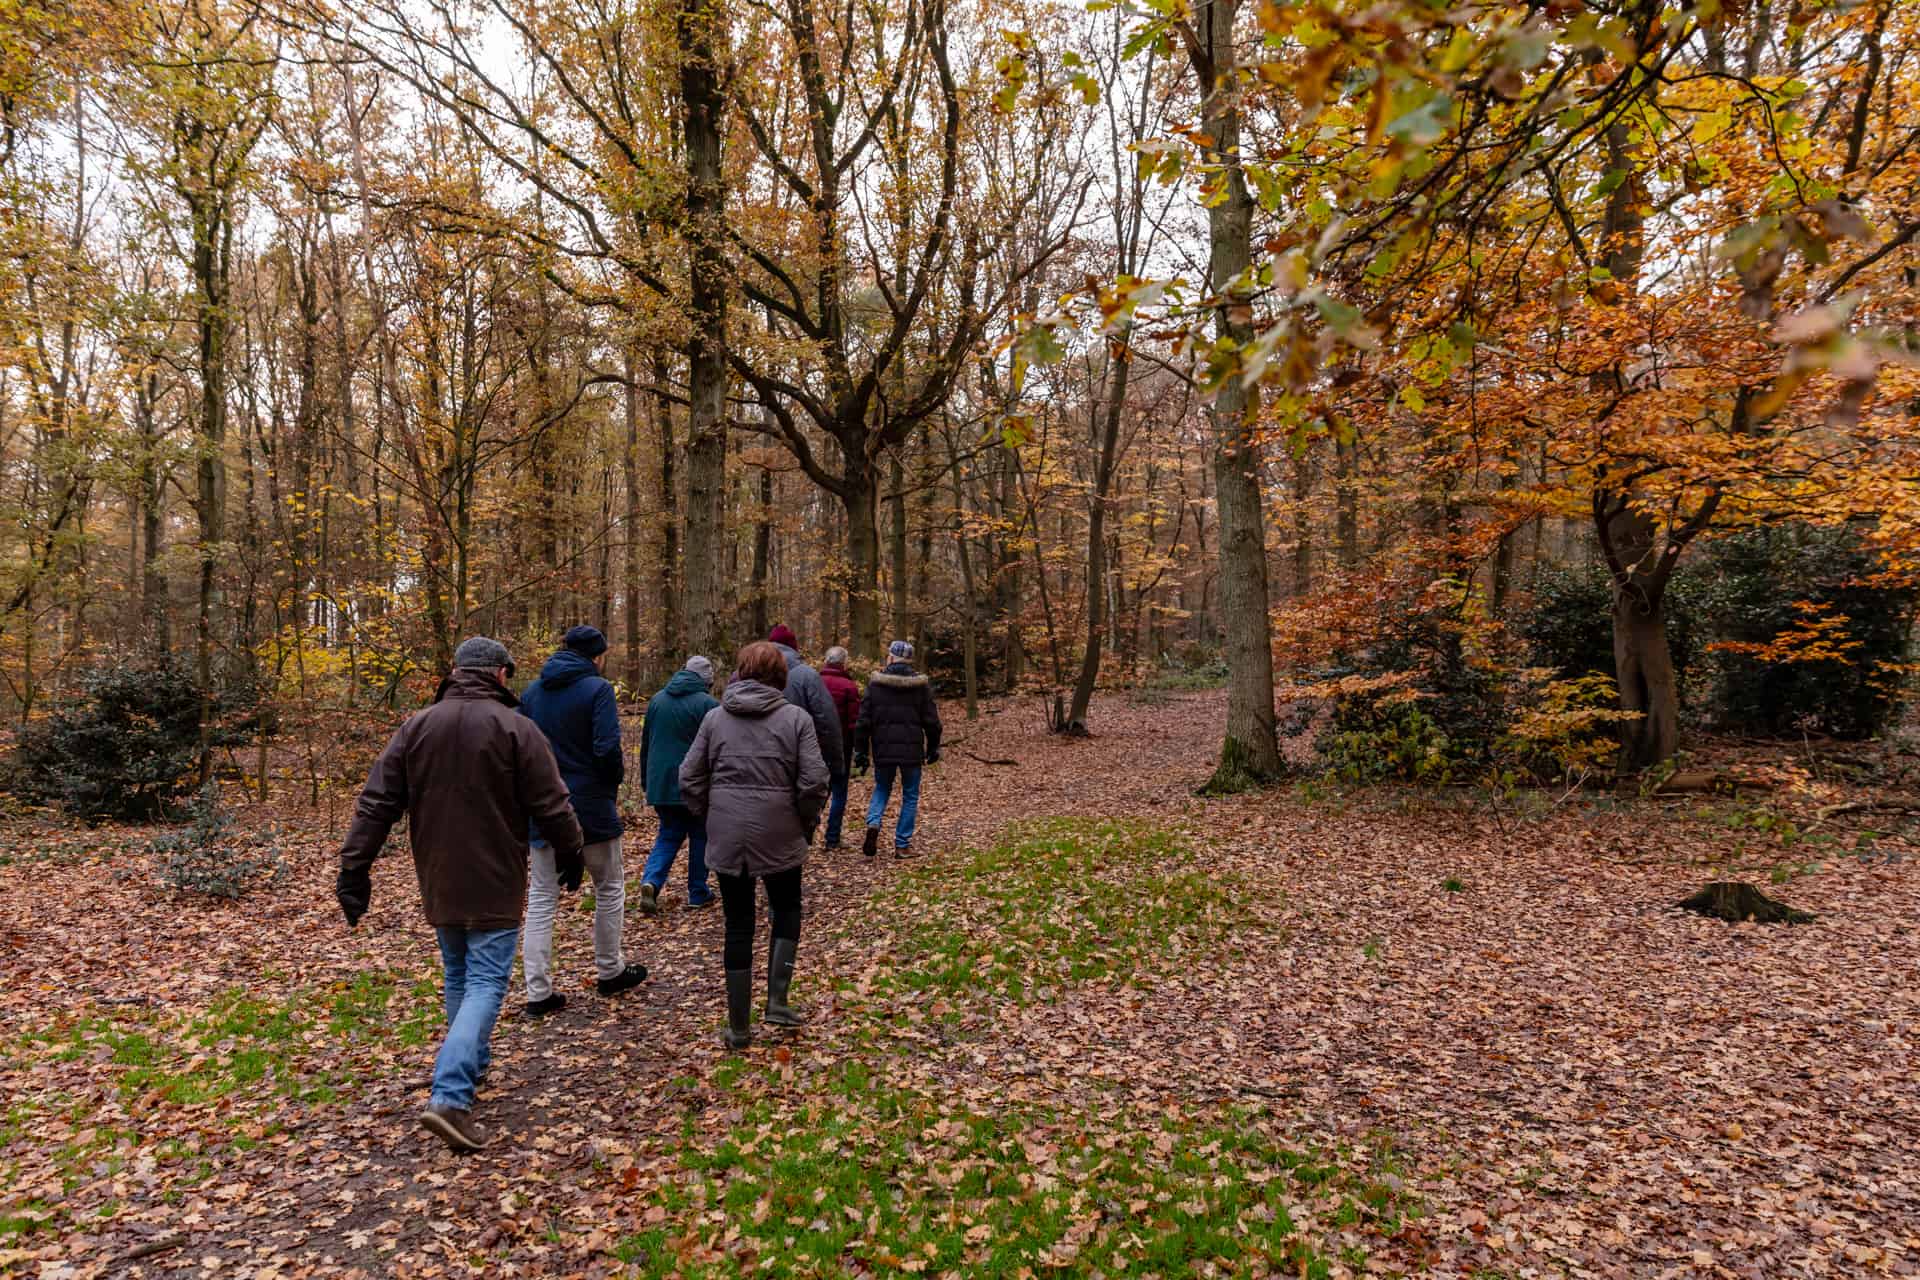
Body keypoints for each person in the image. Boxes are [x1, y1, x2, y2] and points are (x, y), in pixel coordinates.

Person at [335, 636, 584, 1152]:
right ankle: (450, 1095)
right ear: (499, 676)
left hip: (440, 873)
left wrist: (354, 868)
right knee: (487, 981)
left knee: (458, 973)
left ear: (454, 673)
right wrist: (572, 851)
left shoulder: (417, 728)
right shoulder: (518, 728)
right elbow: (553, 803)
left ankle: (471, 1064)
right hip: (495, 874)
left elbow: (377, 802)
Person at [678, 641, 829, 1051]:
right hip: (781, 830)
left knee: (739, 922)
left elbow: (688, 777)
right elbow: (815, 779)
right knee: (787, 907)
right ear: (780, 676)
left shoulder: (714, 719)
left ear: (741, 673)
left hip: (728, 833)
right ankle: (777, 1001)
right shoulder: (796, 719)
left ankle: (739, 1027)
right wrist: (804, 818)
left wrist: (710, 813)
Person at [516, 625, 648, 1017]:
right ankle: (610, 970)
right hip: (590, 804)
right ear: (597, 656)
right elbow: (607, 748)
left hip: (543, 806)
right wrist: (608, 787)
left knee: (542, 898)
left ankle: (538, 991)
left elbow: (522, 752)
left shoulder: (533, 693)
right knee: (609, 886)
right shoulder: (597, 689)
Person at [637, 655, 721, 912]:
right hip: (695, 784)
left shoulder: (657, 700)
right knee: (700, 835)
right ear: (707, 680)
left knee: (668, 834)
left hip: (660, 782)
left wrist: (646, 781)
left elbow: (646, 745)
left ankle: (651, 881)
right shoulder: (708, 705)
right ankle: (697, 892)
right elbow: (714, 750)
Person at [852, 640, 943, 858]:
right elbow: (932, 722)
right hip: (911, 751)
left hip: (883, 749)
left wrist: (862, 751)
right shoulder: (920, 687)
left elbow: (863, 722)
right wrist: (933, 748)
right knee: (910, 796)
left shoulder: (875, 685)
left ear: (891, 657)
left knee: (882, 788)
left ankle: (874, 823)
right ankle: (902, 845)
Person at [767, 624, 844, 802]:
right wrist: (835, 765)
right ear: (794, 648)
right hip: (794, 763)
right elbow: (827, 723)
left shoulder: (743, 673)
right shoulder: (808, 676)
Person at [817, 646, 861, 849]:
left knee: (816, 791)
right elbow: (854, 721)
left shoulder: (815, 682)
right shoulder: (848, 686)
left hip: (814, 744)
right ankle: (832, 838)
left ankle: (807, 832)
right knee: (839, 791)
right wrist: (858, 746)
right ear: (843, 663)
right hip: (841, 745)